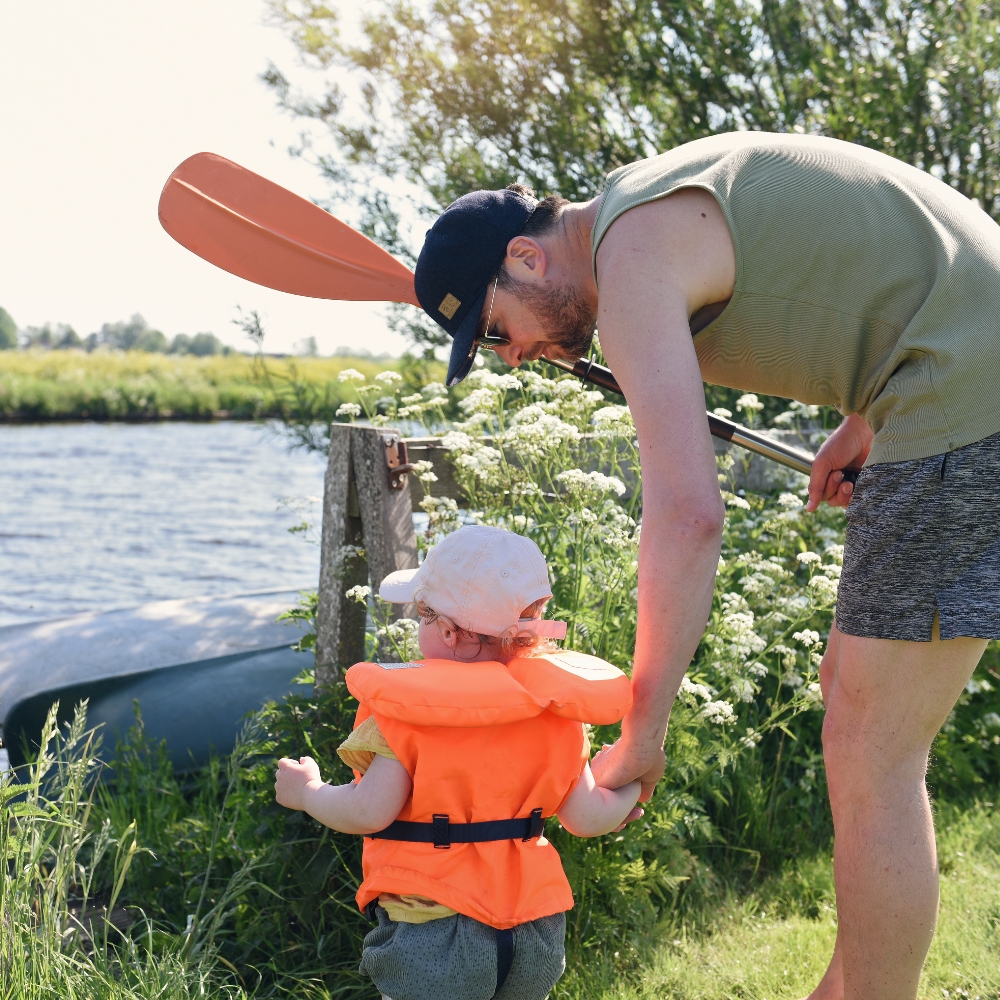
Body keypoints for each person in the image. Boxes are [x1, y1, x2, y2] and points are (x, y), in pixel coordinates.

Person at [408, 131, 1000, 1000]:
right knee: (852, 698)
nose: (512, 355)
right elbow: (874, 253)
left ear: (527, 258)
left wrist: (643, 730)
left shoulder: (632, 256)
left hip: (959, 390)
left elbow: (687, 515)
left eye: (497, 330)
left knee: (876, 753)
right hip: (945, 365)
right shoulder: (640, 205)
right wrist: (865, 415)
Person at [274, 525, 640, 1000]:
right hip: (534, 932)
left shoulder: (405, 717)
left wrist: (309, 792)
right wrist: (631, 784)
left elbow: (369, 810)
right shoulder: (559, 714)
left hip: (436, 933)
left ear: (445, 631)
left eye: (420, 617)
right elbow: (589, 817)